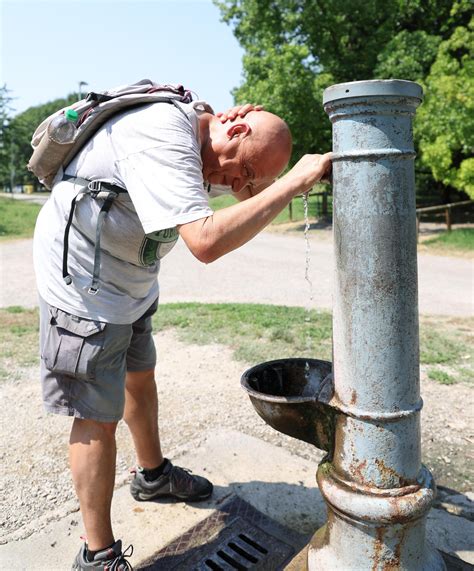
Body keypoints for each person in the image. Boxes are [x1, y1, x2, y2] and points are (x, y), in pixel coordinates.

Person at [33, 93, 332, 570]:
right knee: (96, 414)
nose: (234, 185)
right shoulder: (165, 134)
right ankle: (97, 554)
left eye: (246, 180)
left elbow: (246, 201)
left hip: (130, 276)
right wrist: (294, 181)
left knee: (139, 376)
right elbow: (207, 243)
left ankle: (152, 477)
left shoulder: (209, 143)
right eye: (240, 171)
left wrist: (261, 180)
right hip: (83, 284)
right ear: (234, 127)